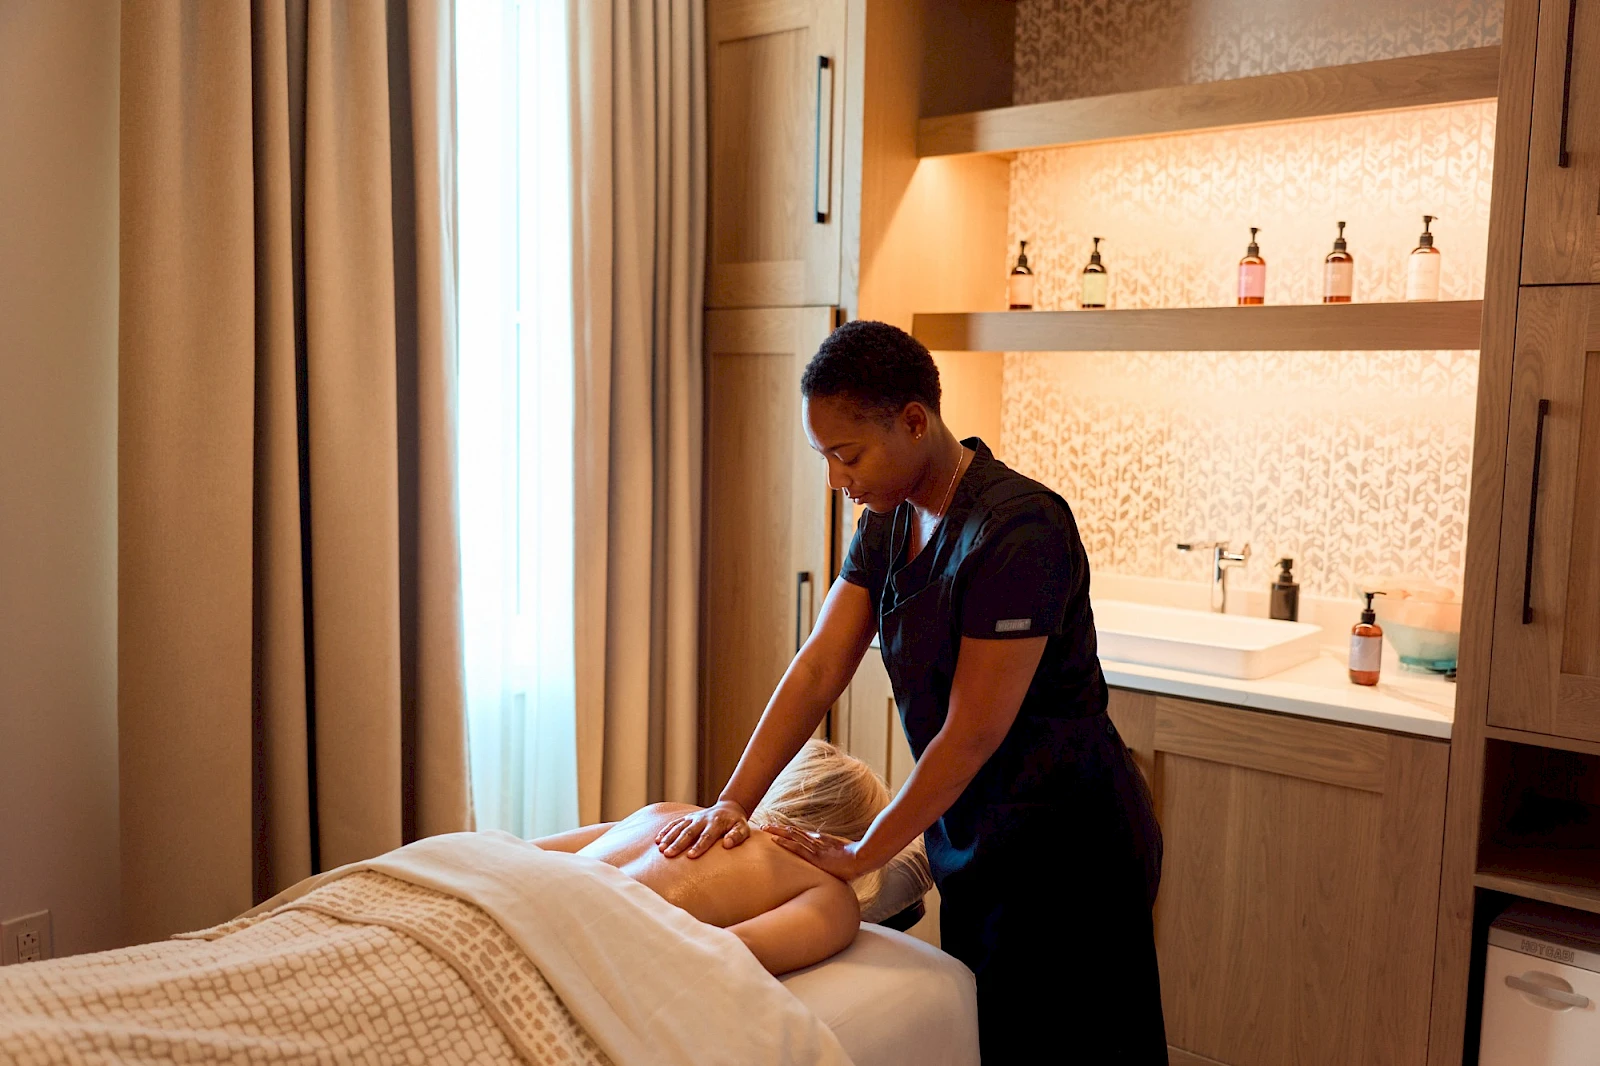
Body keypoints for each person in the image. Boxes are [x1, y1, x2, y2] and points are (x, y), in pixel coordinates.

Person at [654, 320, 1167, 1061]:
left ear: (915, 422)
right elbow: (818, 669)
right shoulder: (889, 524)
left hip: (1067, 847)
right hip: (973, 832)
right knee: (999, 1037)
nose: (837, 480)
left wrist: (865, 850)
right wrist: (734, 799)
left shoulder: (1019, 529)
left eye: (846, 454)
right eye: (824, 456)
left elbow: (973, 730)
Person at [535, 739, 915, 976]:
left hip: (517, 904)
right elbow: (720, 958)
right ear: (854, 840)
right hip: (570, 948)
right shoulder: (830, 895)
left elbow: (524, 853)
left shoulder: (667, 812)